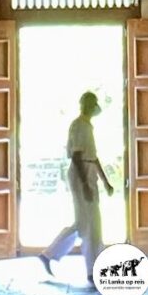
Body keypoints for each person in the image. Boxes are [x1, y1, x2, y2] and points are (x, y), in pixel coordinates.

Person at [39, 91, 114, 283]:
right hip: (81, 174)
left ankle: (49, 254)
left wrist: (105, 181)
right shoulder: (79, 126)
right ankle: (92, 269)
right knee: (90, 224)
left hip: (88, 173)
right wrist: (84, 184)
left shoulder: (88, 126)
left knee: (85, 222)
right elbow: (77, 156)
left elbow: (93, 157)